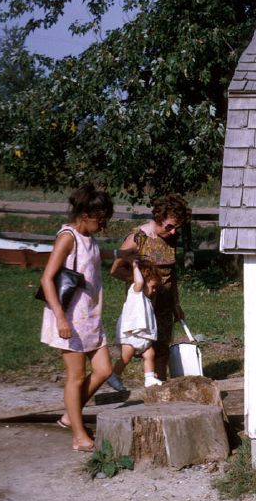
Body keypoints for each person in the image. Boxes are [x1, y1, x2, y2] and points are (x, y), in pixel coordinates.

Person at [39, 183, 135, 452]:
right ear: (85, 216)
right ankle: (79, 436)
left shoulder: (88, 238)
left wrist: (120, 254)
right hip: (69, 317)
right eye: (101, 220)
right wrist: (60, 318)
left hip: (90, 316)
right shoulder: (67, 237)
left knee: (104, 370)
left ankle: (72, 414)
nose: (103, 226)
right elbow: (47, 278)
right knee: (77, 377)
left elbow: (92, 256)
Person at [111, 194, 190, 380]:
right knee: (141, 348)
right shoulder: (137, 238)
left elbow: (173, 274)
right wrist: (139, 282)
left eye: (176, 228)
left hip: (164, 303)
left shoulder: (171, 239)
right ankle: (120, 377)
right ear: (158, 218)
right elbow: (115, 270)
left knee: (162, 347)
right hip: (142, 304)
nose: (172, 231)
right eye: (169, 226)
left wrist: (176, 304)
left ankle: (160, 389)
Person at [106, 259, 164, 391]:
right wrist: (135, 266)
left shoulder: (147, 299)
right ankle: (114, 375)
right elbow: (139, 281)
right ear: (143, 282)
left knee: (150, 354)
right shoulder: (135, 291)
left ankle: (149, 378)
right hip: (131, 333)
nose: (154, 290)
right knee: (126, 356)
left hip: (142, 334)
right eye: (153, 287)